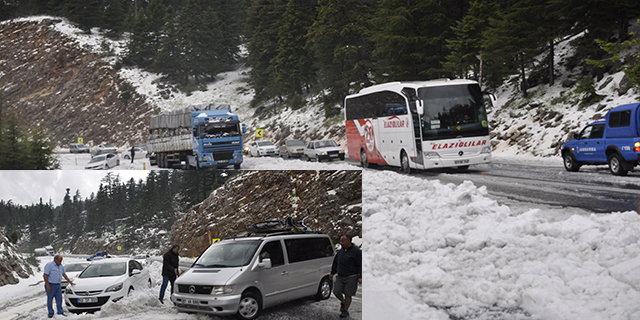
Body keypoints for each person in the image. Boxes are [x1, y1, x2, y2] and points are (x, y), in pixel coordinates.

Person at [330, 235, 362, 318]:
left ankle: (345, 310)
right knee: (336, 292)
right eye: (340, 241)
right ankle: (343, 301)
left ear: (349, 241)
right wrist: (332, 273)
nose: (341, 243)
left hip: (351, 276)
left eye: (343, 241)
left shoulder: (357, 252)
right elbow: (335, 262)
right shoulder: (340, 251)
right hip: (340, 276)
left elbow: (360, 265)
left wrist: (360, 276)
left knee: (348, 294)